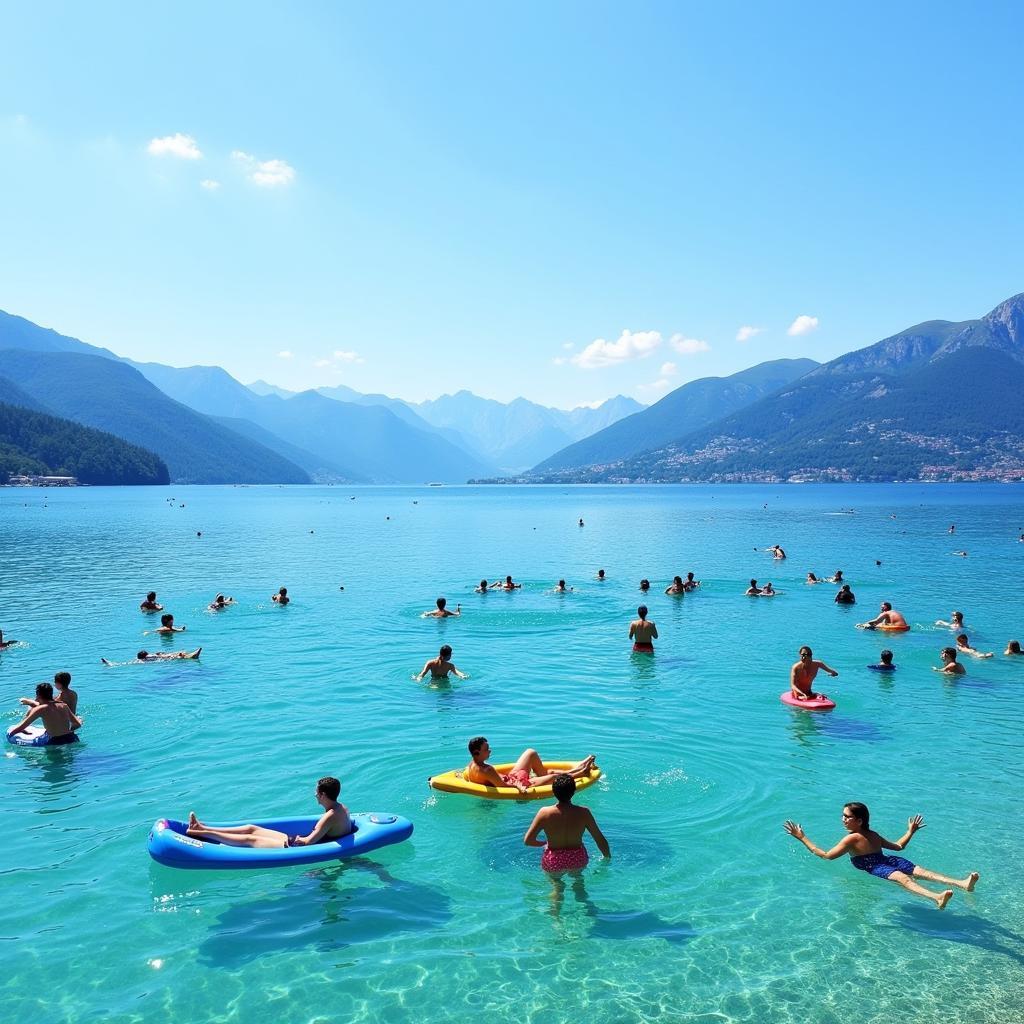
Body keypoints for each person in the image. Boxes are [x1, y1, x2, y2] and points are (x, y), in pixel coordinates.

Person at [783, 804, 977, 910]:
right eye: (843, 816)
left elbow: (825, 856)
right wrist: (910, 831)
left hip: (878, 865)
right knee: (910, 875)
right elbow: (899, 846)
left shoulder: (852, 839)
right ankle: (948, 891)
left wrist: (802, 838)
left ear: (859, 821)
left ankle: (953, 888)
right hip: (885, 862)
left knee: (915, 874)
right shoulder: (871, 834)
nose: (843, 819)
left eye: (846, 817)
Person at [186, 777, 351, 849]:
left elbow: (308, 843)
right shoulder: (341, 808)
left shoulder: (329, 816)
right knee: (251, 828)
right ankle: (201, 827)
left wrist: (300, 838)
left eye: (316, 792)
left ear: (323, 794)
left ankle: (201, 832)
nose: (314, 794)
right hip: (293, 842)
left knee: (250, 839)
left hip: (293, 847)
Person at [523, 774, 610, 872]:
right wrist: (607, 858)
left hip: (554, 859)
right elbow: (599, 838)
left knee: (556, 885)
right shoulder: (584, 812)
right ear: (573, 792)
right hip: (577, 858)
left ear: (553, 791)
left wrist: (545, 844)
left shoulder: (544, 813)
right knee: (578, 882)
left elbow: (528, 840)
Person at [464, 737, 596, 795]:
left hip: (510, 778)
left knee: (530, 753)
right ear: (477, 753)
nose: (490, 751)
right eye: (487, 749)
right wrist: (518, 786)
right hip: (519, 783)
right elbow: (503, 786)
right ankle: (580, 772)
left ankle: (575, 768)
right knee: (554, 777)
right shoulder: (487, 769)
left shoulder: (471, 765)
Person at [8, 682, 82, 745]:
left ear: (38, 696)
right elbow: (78, 724)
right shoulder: (63, 705)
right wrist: (64, 731)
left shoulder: (40, 709)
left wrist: (10, 735)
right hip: (71, 738)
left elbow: (21, 727)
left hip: (54, 741)